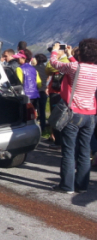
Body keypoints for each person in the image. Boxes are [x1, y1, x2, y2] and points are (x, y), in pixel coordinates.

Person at [48, 40, 97, 194]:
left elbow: (54, 64)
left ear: (81, 52)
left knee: (69, 151)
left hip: (73, 113)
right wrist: (70, 56)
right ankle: (82, 186)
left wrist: (55, 51)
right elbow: (81, 68)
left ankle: (67, 186)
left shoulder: (74, 67)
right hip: (90, 115)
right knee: (84, 150)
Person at [45, 41, 70, 147]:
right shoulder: (60, 61)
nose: (52, 52)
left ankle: (59, 141)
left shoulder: (65, 60)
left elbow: (50, 67)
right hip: (54, 91)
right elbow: (48, 69)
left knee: (59, 117)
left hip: (59, 92)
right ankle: (57, 139)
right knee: (55, 116)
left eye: (54, 50)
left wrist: (53, 61)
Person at [34, 53, 49, 133]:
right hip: (43, 90)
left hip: (36, 90)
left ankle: (35, 126)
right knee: (42, 110)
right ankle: (43, 127)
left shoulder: (34, 68)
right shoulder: (46, 68)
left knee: (34, 109)